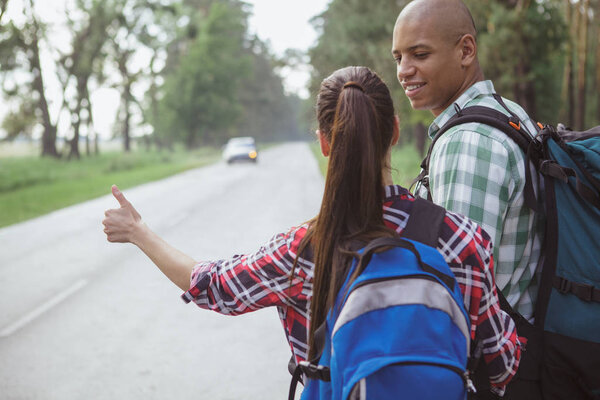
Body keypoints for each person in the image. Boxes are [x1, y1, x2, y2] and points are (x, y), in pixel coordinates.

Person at [102, 66, 521, 395]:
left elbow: (209, 284)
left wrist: (139, 232)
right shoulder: (461, 239)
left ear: (324, 142)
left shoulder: (301, 251)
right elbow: (501, 368)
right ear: (393, 131)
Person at [391, 0, 543, 397]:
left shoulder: (468, 142)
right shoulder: (507, 113)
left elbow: (459, 291)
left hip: (493, 376)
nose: (404, 70)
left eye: (419, 54)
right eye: (399, 56)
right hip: (523, 351)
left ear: (466, 51)